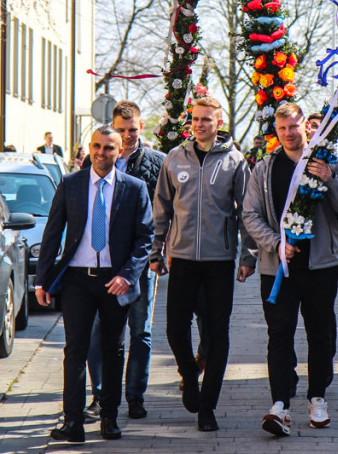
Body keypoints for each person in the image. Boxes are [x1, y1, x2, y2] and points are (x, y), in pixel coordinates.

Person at [243, 102, 338, 437]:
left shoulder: (328, 161)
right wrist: (275, 242)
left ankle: (317, 398)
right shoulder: (265, 168)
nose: (289, 134)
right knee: (279, 334)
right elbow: (250, 215)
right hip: (278, 268)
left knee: (320, 334)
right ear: (275, 131)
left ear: (305, 125)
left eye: (294, 127)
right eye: (282, 129)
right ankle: (279, 405)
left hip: (321, 266)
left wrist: (330, 179)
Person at [35, 125, 154, 443]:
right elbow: (52, 232)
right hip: (76, 281)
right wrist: (42, 280)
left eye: (109, 148)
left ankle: (109, 419)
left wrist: (128, 275)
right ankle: (73, 422)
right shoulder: (71, 184)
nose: (102, 153)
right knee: (75, 350)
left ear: (119, 151)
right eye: (97, 147)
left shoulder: (134, 187)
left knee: (114, 350)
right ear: (90, 148)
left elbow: (145, 239)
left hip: (114, 282)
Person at [150, 96, 255, 432]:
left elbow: (246, 213)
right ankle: (189, 375)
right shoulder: (174, 158)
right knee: (173, 327)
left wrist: (247, 255)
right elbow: (161, 209)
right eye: (195, 119)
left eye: (207, 119)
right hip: (181, 258)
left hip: (219, 261)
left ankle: (207, 406)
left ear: (218, 123)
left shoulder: (235, 161)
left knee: (218, 333)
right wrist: (156, 251)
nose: (199, 124)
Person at [85, 101, 166, 422]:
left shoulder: (158, 163)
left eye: (133, 130)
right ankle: (101, 396)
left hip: (142, 262)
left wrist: (159, 252)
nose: (128, 135)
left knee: (140, 331)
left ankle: (135, 395)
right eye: (121, 130)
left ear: (141, 128)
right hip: (102, 262)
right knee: (97, 331)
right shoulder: (99, 159)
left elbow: (165, 211)